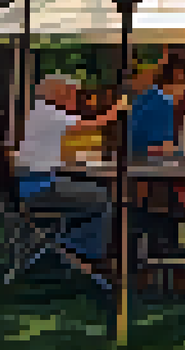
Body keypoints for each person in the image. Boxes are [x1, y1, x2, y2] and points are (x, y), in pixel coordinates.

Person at [12, 75, 124, 262]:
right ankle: (82, 255)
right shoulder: (49, 113)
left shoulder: (39, 111)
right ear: (58, 94)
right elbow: (96, 123)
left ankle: (69, 247)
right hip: (40, 188)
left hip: (31, 184)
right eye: (71, 94)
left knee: (89, 194)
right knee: (102, 197)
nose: (74, 99)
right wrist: (119, 107)